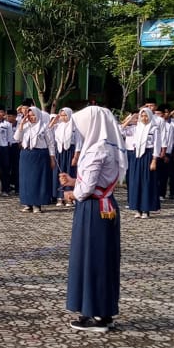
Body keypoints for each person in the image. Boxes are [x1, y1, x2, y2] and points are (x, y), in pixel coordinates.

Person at [60, 105, 126, 332]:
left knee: (90, 258)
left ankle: (93, 313)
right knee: (104, 259)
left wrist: (72, 193)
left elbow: (87, 188)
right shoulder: (110, 147)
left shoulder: (95, 151)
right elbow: (96, 181)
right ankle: (103, 311)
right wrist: (73, 181)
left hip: (92, 209)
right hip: (106, 205)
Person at [15, 106, 54, 213]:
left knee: (38, 180)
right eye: (29, 115)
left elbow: (51, 144)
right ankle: (27, 203)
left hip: (40, 155)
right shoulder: (25, 126)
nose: (31, 117)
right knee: (26, 180)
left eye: (33, 115)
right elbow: (16, 138)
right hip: (26, 155)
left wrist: (52, 158)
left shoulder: (44, 126)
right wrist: (21, 125)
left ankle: (37, 204)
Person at [126, 106, 160, 218]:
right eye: (142, 116)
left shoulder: (154, 129)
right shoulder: (136, 128)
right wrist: (130, 120)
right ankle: (137, 208)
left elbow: (157, 145)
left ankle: (146, 209)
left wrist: (154, 160)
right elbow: (121, 130)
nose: (144, 118)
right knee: (136, 182)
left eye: (146, 116)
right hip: (136, 156)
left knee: (146, 182)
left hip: (148, 156)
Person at [52, 107, 81, 207]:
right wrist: (53, 122)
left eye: (65, 115)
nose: (63, 117)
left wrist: (76, 157)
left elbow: (78, 142)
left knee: (69, 172)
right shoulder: (58, 126)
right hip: (59, 152)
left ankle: (69, 197)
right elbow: (48, 133)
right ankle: (59, 197)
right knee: (59, 173)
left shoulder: (75, 127)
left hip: (70, 152)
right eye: (62, 115)